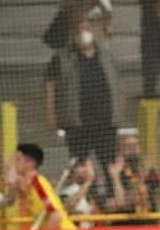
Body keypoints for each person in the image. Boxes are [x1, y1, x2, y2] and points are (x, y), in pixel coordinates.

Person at [45, 18, 121, 171]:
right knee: (81, 166)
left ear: (93, 30)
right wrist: (51, 114)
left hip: (105, 121)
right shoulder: (62, 58)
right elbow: (50, 85)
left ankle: (111, 193)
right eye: (79, 29)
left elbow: (118, 83)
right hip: (77, 123)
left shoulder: (106, 56)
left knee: (109, 164)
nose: (83, 33)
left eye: (86, 28)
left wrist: (119, 112)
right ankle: (83, 192)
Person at [58, 155, 101, 228]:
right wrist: (88, 182)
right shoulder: (63, 187)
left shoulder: (89, 190)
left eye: (91, 167)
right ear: (75, 168)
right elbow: (67, 207)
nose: (90, 171)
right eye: (85, 166)